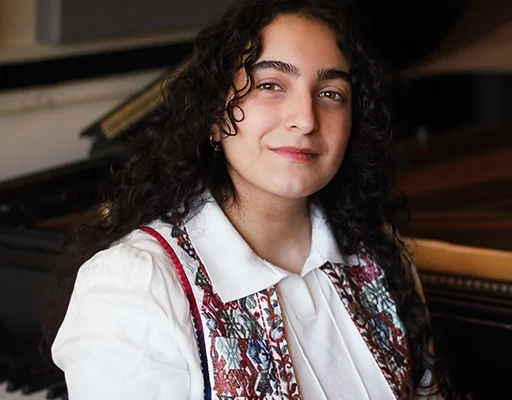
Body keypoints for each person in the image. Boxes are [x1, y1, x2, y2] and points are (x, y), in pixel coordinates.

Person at [46, 0, 450, 398]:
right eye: (270, 86)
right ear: (215, 116)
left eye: (331, 94)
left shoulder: (378, 256)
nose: (305, 119)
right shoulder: (136, 285)